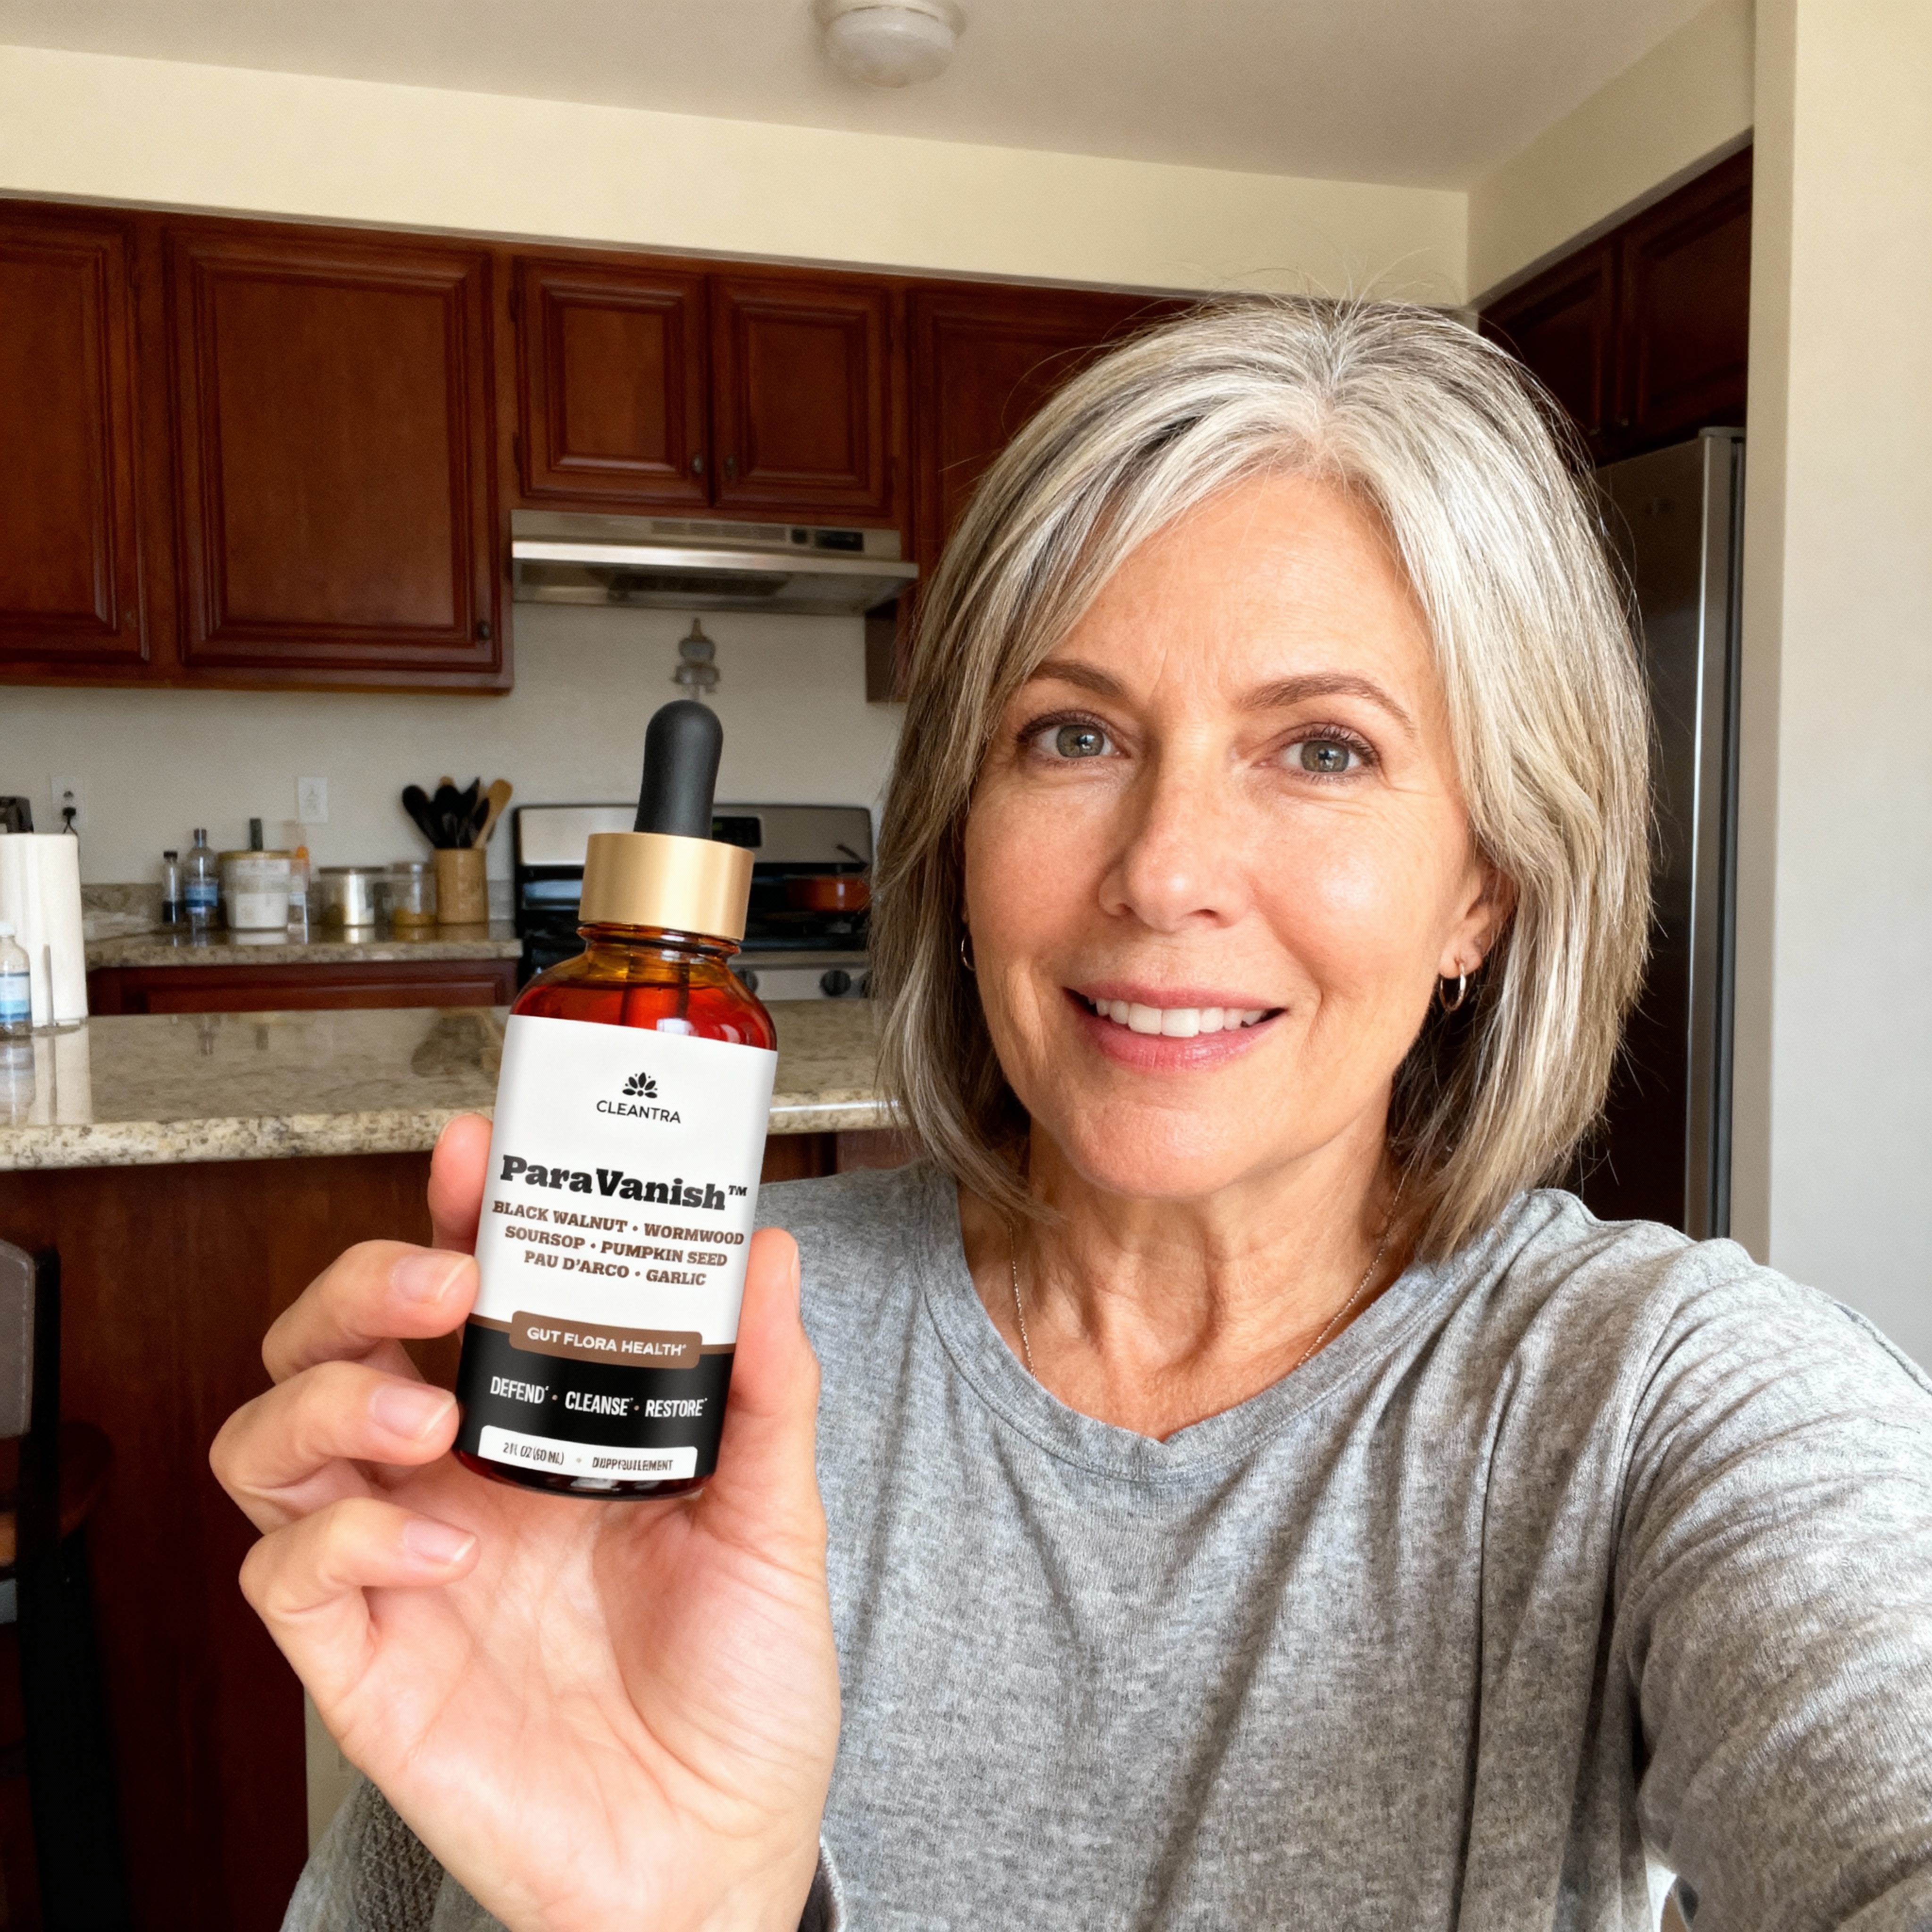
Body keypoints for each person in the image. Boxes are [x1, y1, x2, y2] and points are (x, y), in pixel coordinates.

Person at [214, 301, 1932, 1932]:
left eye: (1323, 750)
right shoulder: (683, 1339)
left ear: (1485, 886)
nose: (1166, 872)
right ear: (962, 834)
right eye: (1074, 732)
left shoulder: (1660, 1400)